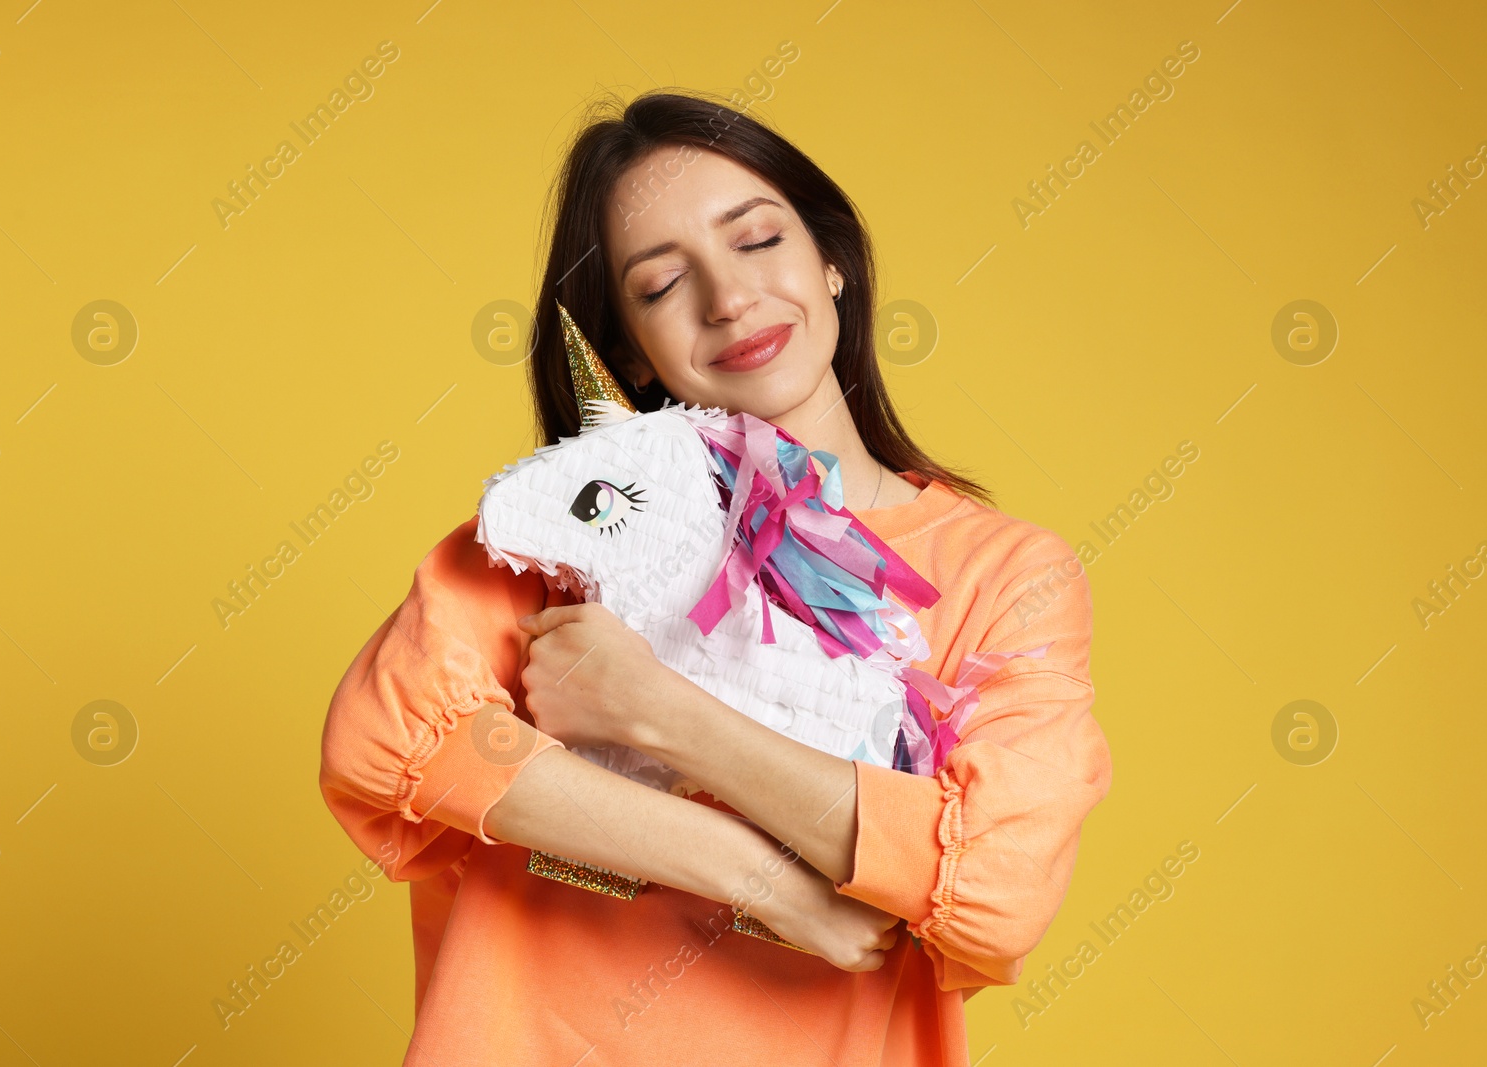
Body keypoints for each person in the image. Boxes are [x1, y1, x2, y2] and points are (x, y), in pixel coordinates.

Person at [318, 89, 1112, 1066]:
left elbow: (993, 886)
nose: (728, 299)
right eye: (660, 286)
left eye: (756, 239)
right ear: (629, 355)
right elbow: (385, 738)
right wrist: (766, 880)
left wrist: (656, 711)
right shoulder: (575, 527)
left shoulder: (1004, 572)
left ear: (831, 262)